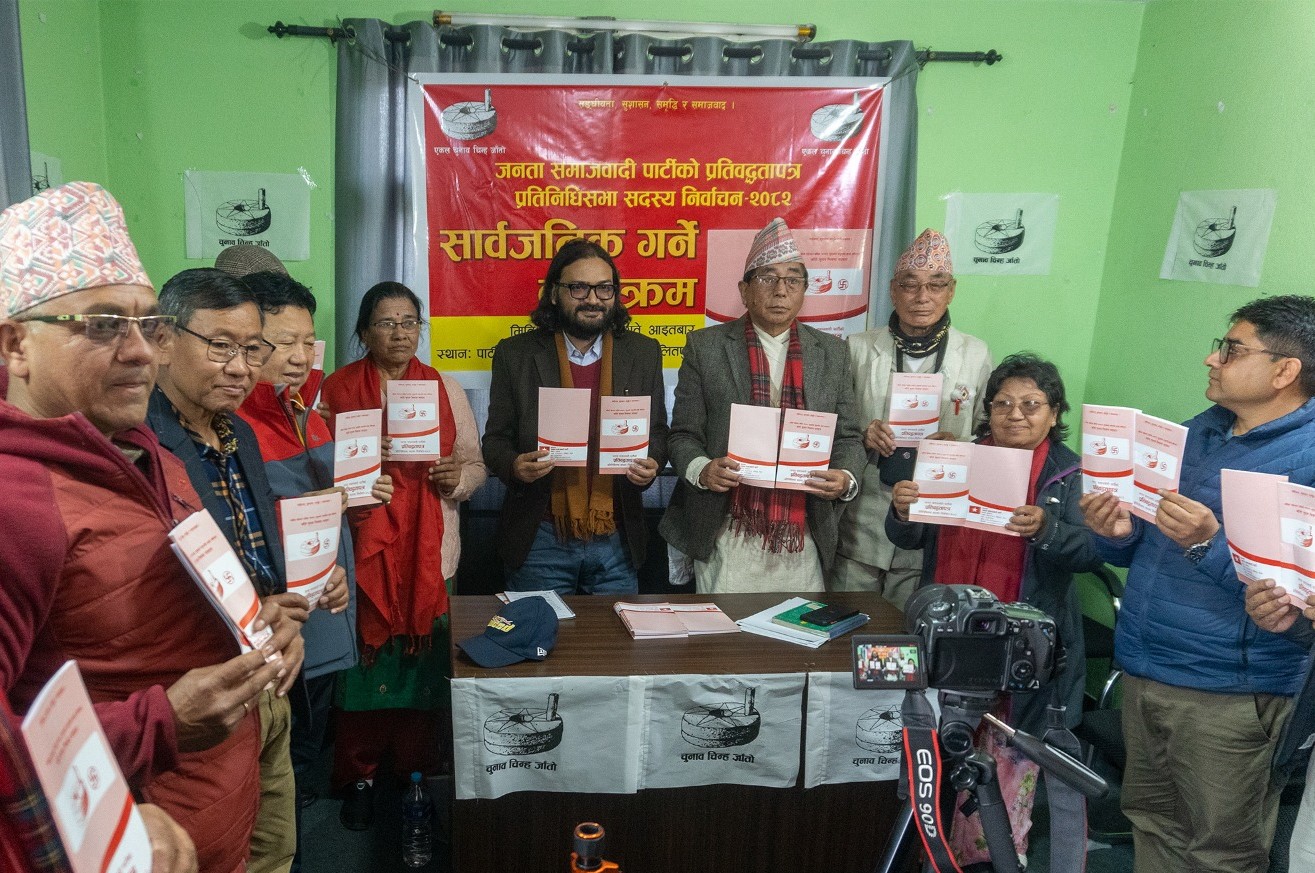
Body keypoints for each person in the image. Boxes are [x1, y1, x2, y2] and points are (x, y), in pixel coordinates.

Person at [0, 181, 288, 873]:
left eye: (147, 324)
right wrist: (156, 725)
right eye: (103, 325)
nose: (142, 352)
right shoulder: (17, 500)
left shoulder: (144, 450)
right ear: (16, 345)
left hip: (224, 817)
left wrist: (257, 618)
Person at [1081, 295, 1315, 873]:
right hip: (1146, 668)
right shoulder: (1195, 432)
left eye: (1232, 349)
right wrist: (1112, 533)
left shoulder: (1307, 460)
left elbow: (1295, 599)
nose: (1212, 359)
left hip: (1229, 692)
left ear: (1285, 371)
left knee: (1220, 851)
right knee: (1150, 822)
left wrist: (1208, 545)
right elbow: (1137, 544)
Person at [148, 268, 333, 873]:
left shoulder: (241, 434)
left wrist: (297, 595)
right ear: (163, 339)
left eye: (252, 350)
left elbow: (255, 548)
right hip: (200, 689)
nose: (240, 368)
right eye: (220, 346)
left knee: (275, 847)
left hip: (270, 677)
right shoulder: (138, 444)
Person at [888, 353, 1100, 866]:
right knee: (937, 752)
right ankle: (931, 850)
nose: (1015, 414)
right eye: (1003, 403)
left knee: (1005, 764)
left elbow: (1096, 551)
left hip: (1020, 644)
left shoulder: (1071, 473)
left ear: (1054, 412)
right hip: (949, 631)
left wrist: (1048, 530)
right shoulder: (955, 457)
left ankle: (990, 857)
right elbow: (909, 538)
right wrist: (903, 510)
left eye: (1031, 404)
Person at [233, 269, 392, 862]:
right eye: (284, 343)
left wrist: (358, 498)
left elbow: (328, 509)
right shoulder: (236, 426)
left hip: (324, 613)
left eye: (309, 341)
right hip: (276, 625)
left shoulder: (309, 413)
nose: (300, 357)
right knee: (274, 766)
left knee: (305, 753)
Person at [320, 281, 486, 830]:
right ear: (364, 331)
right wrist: (362, 459)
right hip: (361, 554)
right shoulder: (336, 390)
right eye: (387, 323)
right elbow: (315, 468)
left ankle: (415, 774)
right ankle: (360, 777)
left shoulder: (444, 388)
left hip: (429, 556)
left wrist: (456, 477)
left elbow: (475, 466)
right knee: (363, 670)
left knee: (423, 667)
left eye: (410, 322)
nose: (400, 333)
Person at [659, 218, 865, 592]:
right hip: (727, 526)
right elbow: (683, 435)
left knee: (796, 625)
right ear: (745, 289)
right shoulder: (706, 348)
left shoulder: (832, 353)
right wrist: (703, 469)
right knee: (725, 628)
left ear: (804, 290)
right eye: (768, 278)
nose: (781, 290)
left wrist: (845, 477)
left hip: (803, 528)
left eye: (793, 280)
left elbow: (849, 437)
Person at [482, 238, 668, 595]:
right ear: (555, 293)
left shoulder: (643, 353)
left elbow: (658, 431)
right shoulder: (516, 354)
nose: (593, 299)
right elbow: (495, 441)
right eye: (579, 288)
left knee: (614, 632)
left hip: (617, 536)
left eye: (604, 288)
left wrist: (653, 463)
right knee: (541, 630)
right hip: (541, 535)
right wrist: (515, 466)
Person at [836, 228, 992, 609]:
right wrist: (864, 433)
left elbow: (988, 435)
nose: (922, 296)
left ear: (951, 291)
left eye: (935, 285)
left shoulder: (975, 353)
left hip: (931, 513)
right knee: (845, 621)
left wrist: (958, 447)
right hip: (864, 514)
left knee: (906, 627)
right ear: (893, 290)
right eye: (910, 285)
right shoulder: (858, 348)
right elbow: (836, 423)